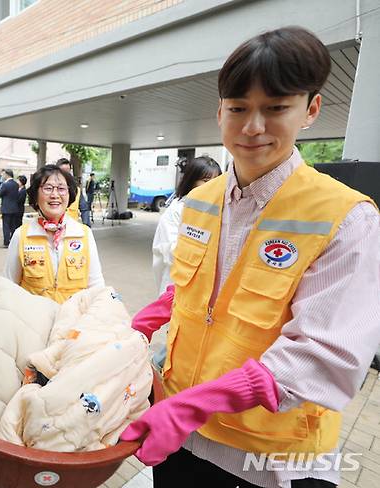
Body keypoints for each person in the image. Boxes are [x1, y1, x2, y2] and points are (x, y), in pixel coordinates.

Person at [121, 27, 380, 488]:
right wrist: (133, 327)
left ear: (311, 110)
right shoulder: (201, 201)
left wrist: (193, 404)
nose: (253, 127)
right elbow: (191, 294)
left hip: (271, 461)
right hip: (182, 442)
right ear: (219, 112)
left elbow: (325, 357)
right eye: (238, 108)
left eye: (276, 108)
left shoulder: (346, 218)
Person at [4, 164, 105, 303]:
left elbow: (96, 286)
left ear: (69, 195)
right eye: (48, 188)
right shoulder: (21, 235)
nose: (55, 195)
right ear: (35, 195)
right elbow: (9, 287)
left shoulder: (84, 234)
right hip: (34, 321)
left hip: (73, 320)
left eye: (62, 189)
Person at [152, 156, 221, 295]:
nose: (212, 186)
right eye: (206, 181)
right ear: (191, 181)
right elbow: (172, 251)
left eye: (217, 181)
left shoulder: (219, 209)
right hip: (179, 284)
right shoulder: (177, 209)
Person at [56, 158, 91, 226]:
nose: (66, 174)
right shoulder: (51, 191)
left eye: (68, 172)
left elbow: (84, 209)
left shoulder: (77, 191)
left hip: (72, 230)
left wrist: (87, 226)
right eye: (63, 172)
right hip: (54, 231)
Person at [0, 168, 19, 248]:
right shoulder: (16, 184)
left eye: (4, 174)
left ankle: (6, 243)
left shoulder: (5, 184)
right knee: (13, 226)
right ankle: (14, 242)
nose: (2, 175)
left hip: (6, 208)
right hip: (14, 208)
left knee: (6, 226)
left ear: (7, 174)